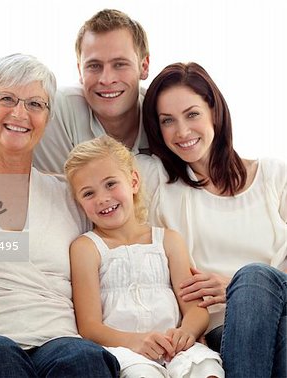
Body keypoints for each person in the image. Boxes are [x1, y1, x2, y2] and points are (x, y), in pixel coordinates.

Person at [0, 53, 119, 377]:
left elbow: (126, 248)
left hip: (60, 338)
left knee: (84, 358)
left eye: (35, 104)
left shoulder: (70, 195)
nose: (20, 113)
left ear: (47, 118)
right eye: (7, 99)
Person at [137, 62, 286, 374]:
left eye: (192, 114)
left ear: (214, 112)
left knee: (255, 278)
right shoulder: (158, 182)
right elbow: (92, 172)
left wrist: (238, 289)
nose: (182, 131)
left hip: (281, 311)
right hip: (222, 330)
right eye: (168, 121)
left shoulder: (275, 177)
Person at [64, 135, 224, 378]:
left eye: (110, 184)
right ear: (79, 202)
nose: (103, 199)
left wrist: (187, 332)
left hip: (177, 346)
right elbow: (90, 326)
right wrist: (137, 341)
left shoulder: (169, 240)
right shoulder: (86, 248)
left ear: (134, 182)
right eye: (88, 193)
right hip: (126, 350)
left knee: (206, 368)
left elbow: (195, 308)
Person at [33, 9, 150, 174]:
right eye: (94, 66)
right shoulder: (55, 110)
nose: (107, 79)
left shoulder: (166, 115)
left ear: (144, 66)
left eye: (120, 64)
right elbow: (57, 195)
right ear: (80, 71)